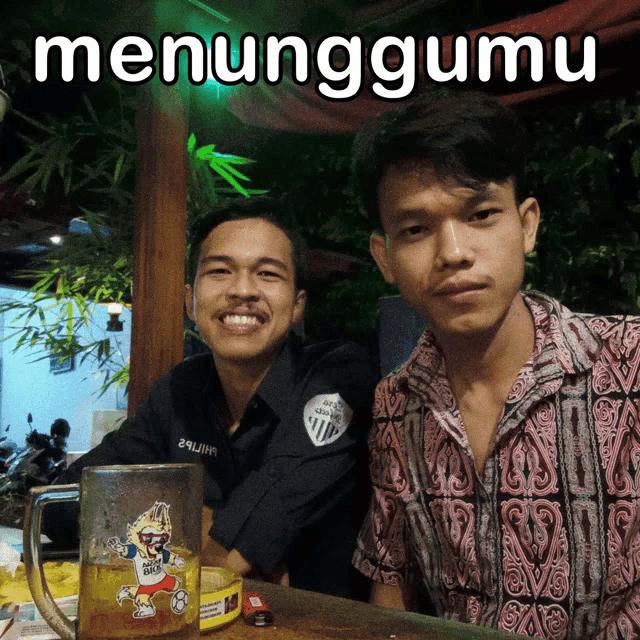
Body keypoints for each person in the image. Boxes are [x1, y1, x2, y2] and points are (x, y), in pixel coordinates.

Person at [350, 88, 640, 639]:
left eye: (481, 214)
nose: (453, 251)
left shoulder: (629, 361)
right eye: (415, 229)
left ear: (526, 224)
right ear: (384, 257)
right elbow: (391, 576)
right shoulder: (396, 400)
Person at [44, 196, 375, 599]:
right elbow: (63, 502)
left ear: (297, 307)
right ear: (191, 300)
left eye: (268, 274)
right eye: (220, 271)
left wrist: (163, 527)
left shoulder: (334, 376)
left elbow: (258, 524)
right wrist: (196, 524)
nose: (242, 290)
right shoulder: (179, 391)